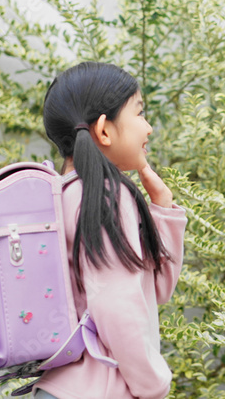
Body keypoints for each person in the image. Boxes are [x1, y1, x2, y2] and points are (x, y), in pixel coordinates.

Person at [32, 62, 187, 399]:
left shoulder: (62, 195)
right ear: (104, 131)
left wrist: (162, 208)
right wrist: (154, 385)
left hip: (62, 388)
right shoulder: (105, 196)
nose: (148, 128)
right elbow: (118, 306)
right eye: (139, 113)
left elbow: (155, 290)